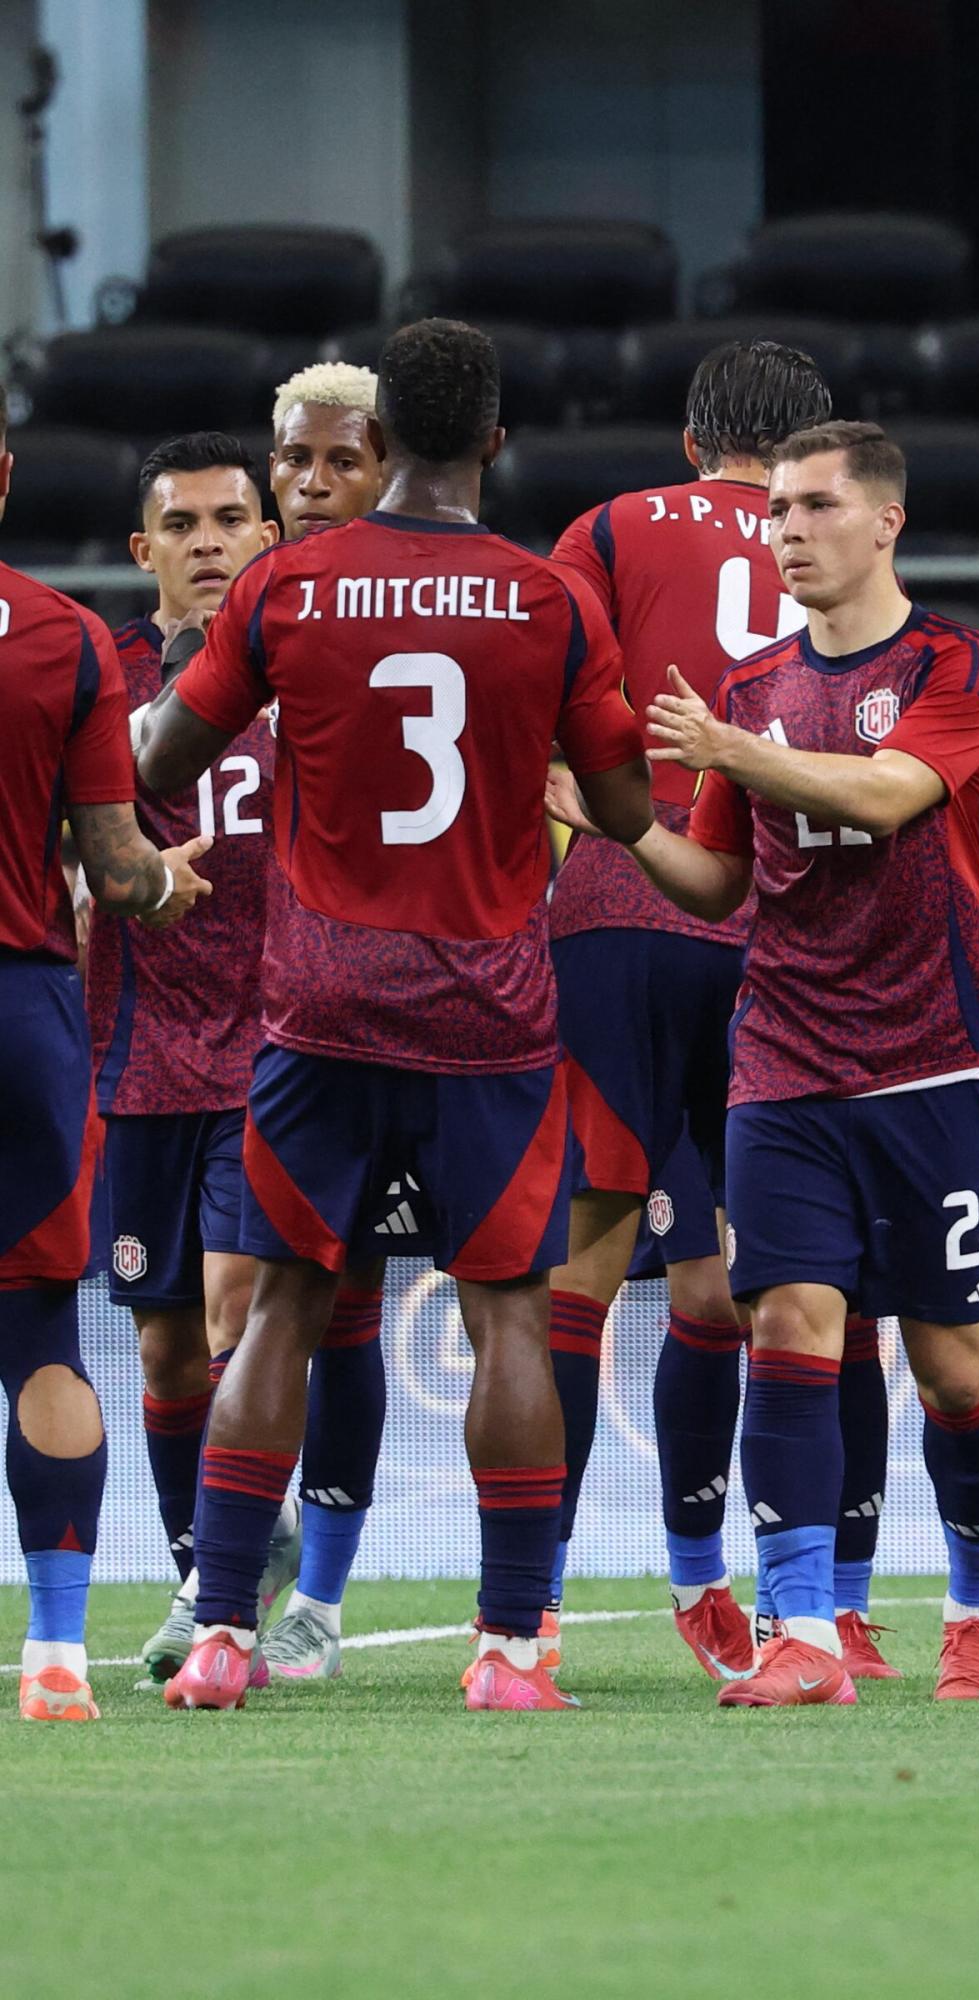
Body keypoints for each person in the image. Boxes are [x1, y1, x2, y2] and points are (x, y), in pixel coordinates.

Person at [139, 318, 653, 1714]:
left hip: (318, 1004)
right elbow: (623, 811)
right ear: (493, 437)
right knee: (508, 1321)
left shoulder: (292, 585)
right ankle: (506, 1651)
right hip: (487, 1010)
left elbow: (168, 753)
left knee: (285, 1314)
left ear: (378, 446)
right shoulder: (551, 602)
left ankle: (225, 1635)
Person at [555, 420, 979, 1707]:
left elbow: (887, 794)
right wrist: (613, 820)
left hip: (931, 1061)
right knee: (786, 1326)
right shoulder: (753, 685)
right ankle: (805, 1631)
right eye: (775, 512)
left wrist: (730, 753)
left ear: (885, 522)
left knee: (953, 1369)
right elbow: (714, 884)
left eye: (815, 508)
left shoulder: (959, 661)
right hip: (783, 1057)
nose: (787, 532)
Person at [544, 338, 898, 1682]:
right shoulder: (845, 536)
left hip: (623, 917)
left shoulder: (609, 529)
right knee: (807, 1281)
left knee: (593, 1276)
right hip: (794, 929)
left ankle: (539, 1617)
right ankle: (836, 1605)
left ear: (694, 445)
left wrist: (572, 814)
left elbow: (538, 690)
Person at [0, 388, 211, 1720]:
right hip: (24, 1012)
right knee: (42, 1339)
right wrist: (157, 887)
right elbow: (117, 860)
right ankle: (61, 1657)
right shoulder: (65, 636)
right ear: (6, 478)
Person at [84, 432, 307, 1687]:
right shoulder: (98, 676)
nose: (211, 542)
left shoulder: (314, 664)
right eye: (184, 524)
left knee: (235, 1304)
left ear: (266, 537)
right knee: (164, 1348)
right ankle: (204, 1569)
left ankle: (225, 1587)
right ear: (145, 548)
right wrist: (97, 877)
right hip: (139, 1044)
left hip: (278, 1043)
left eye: (233, 519)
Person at [255, 362, 394, 1684]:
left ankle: (337, 1601)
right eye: (293, 461)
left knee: (376, 1306)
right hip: (279, 1018)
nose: (309, 486)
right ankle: (226, 1578)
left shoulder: (332, 606)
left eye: (339, 461)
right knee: (272, 1303)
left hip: (444, 1019)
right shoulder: (259, 608)